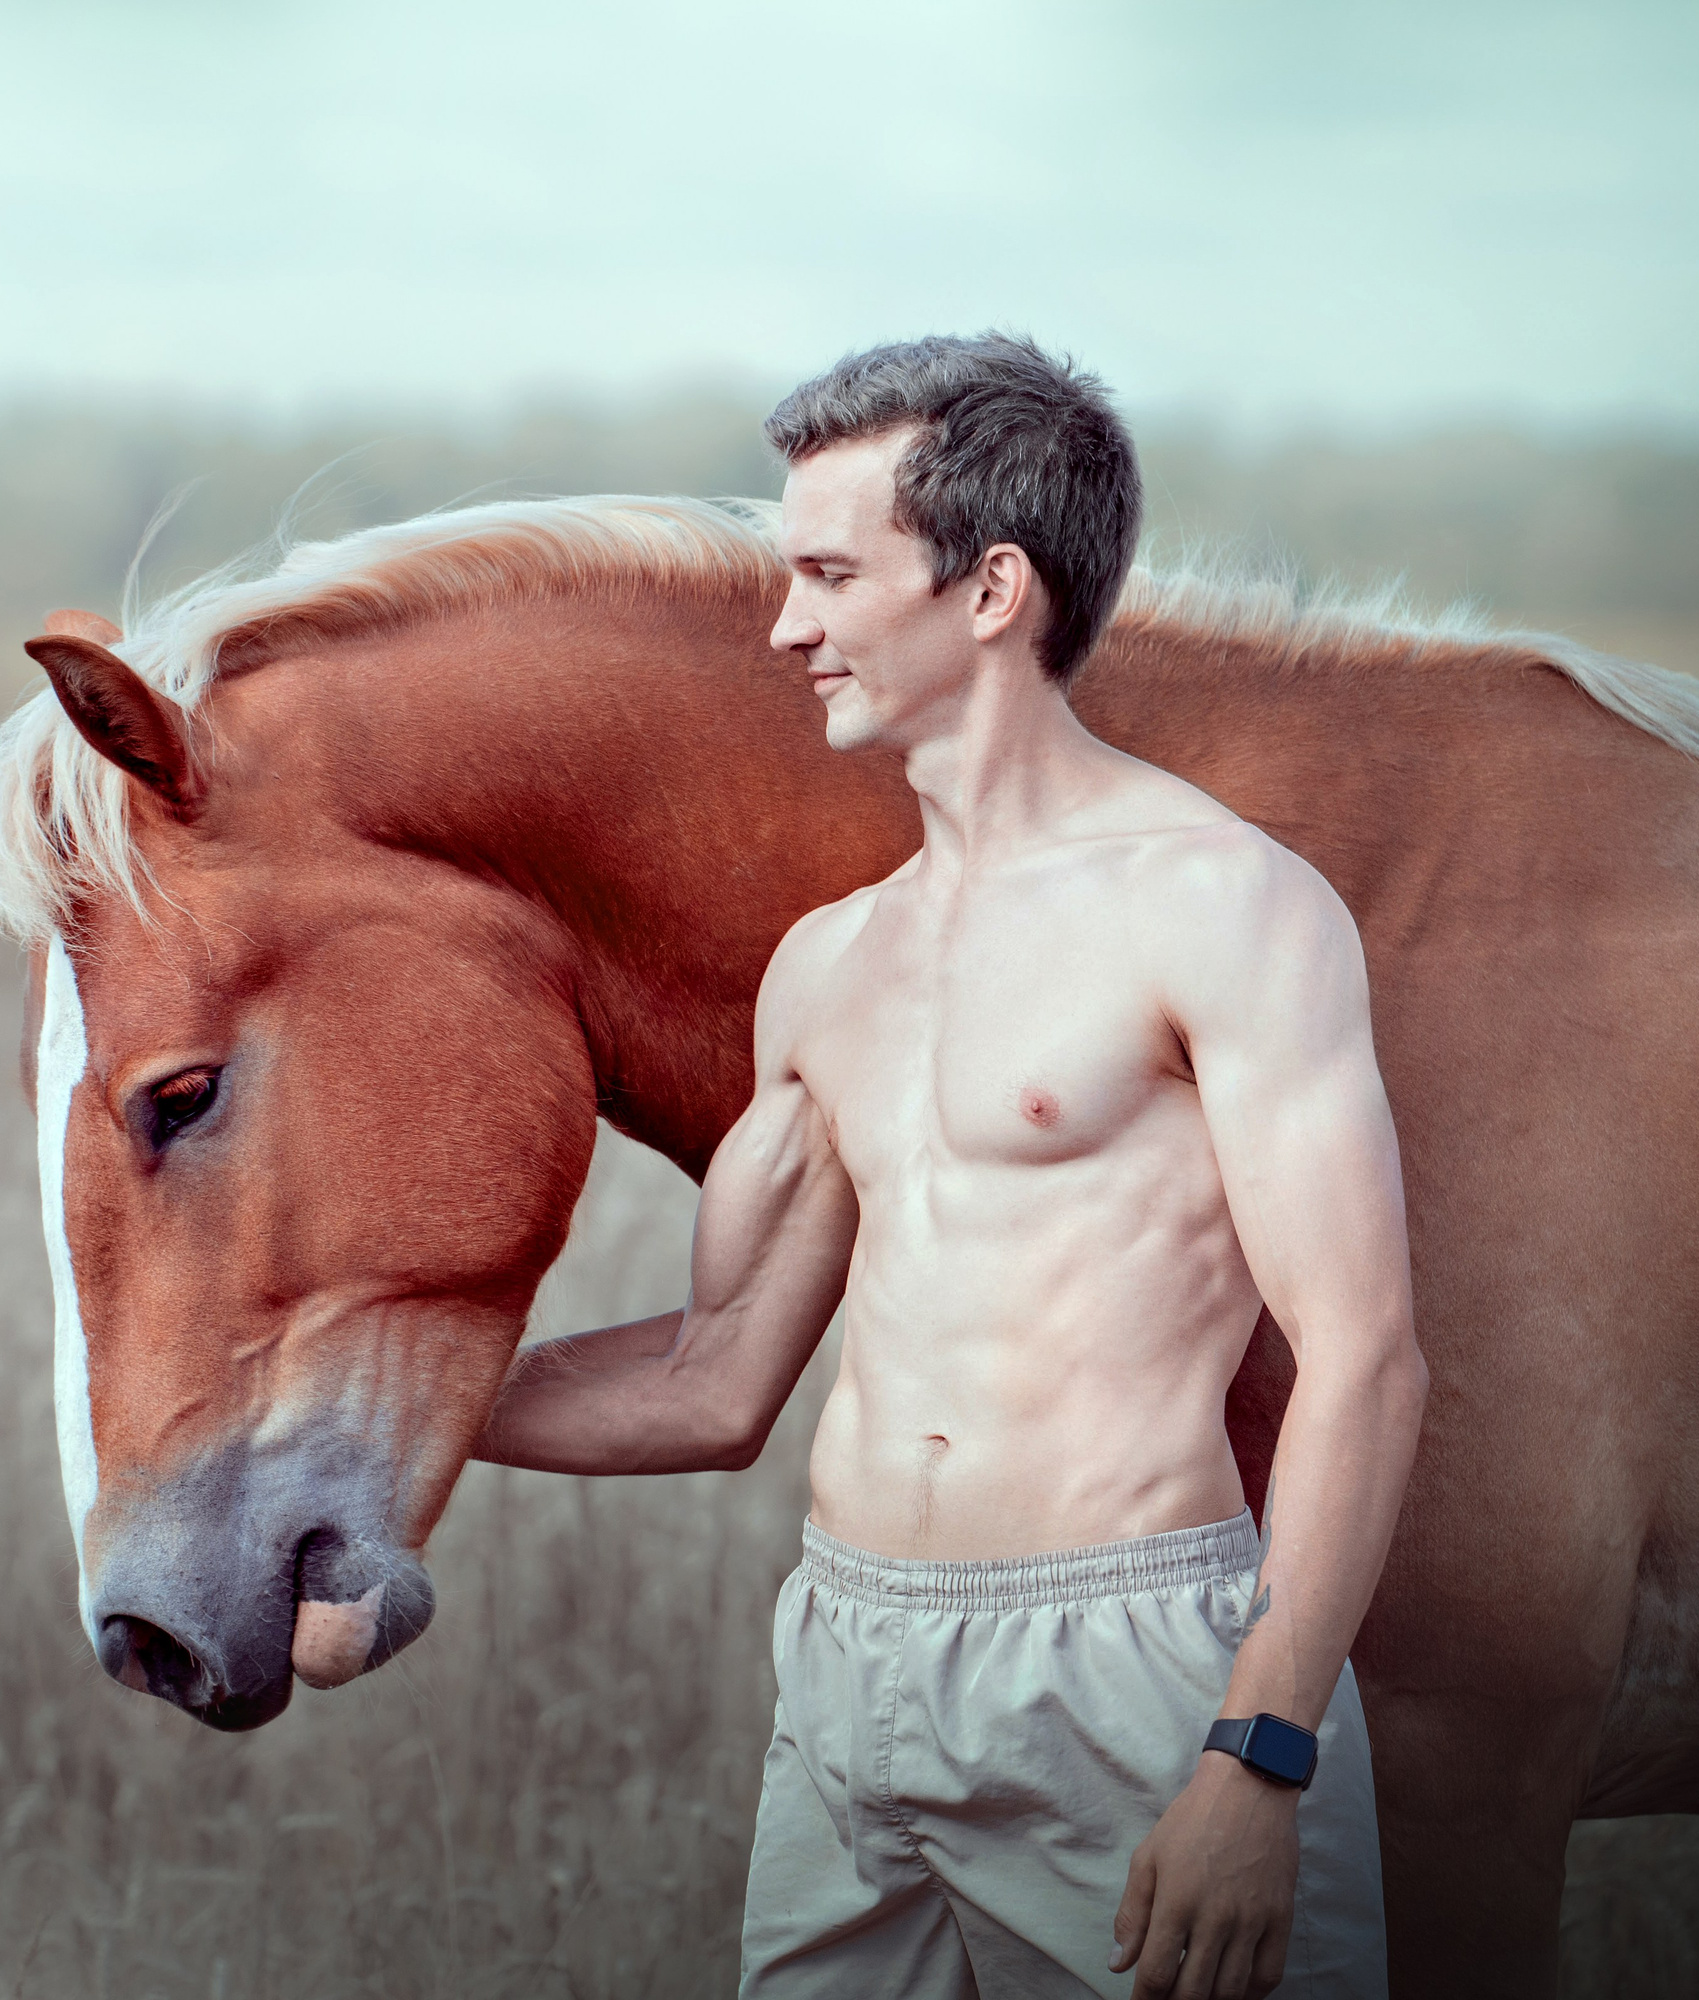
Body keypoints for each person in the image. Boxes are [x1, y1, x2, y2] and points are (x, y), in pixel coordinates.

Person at [473, 333, 1428, 2000]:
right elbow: (712, 1389)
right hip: (850, 1666)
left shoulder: (1222, 905)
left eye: (832, 574)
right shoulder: (826, 964)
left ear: (992, 591)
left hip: (1131, 1672)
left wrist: (1256, 1759)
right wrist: (390, 1411)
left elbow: (1365, 1358)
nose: (789, 625)